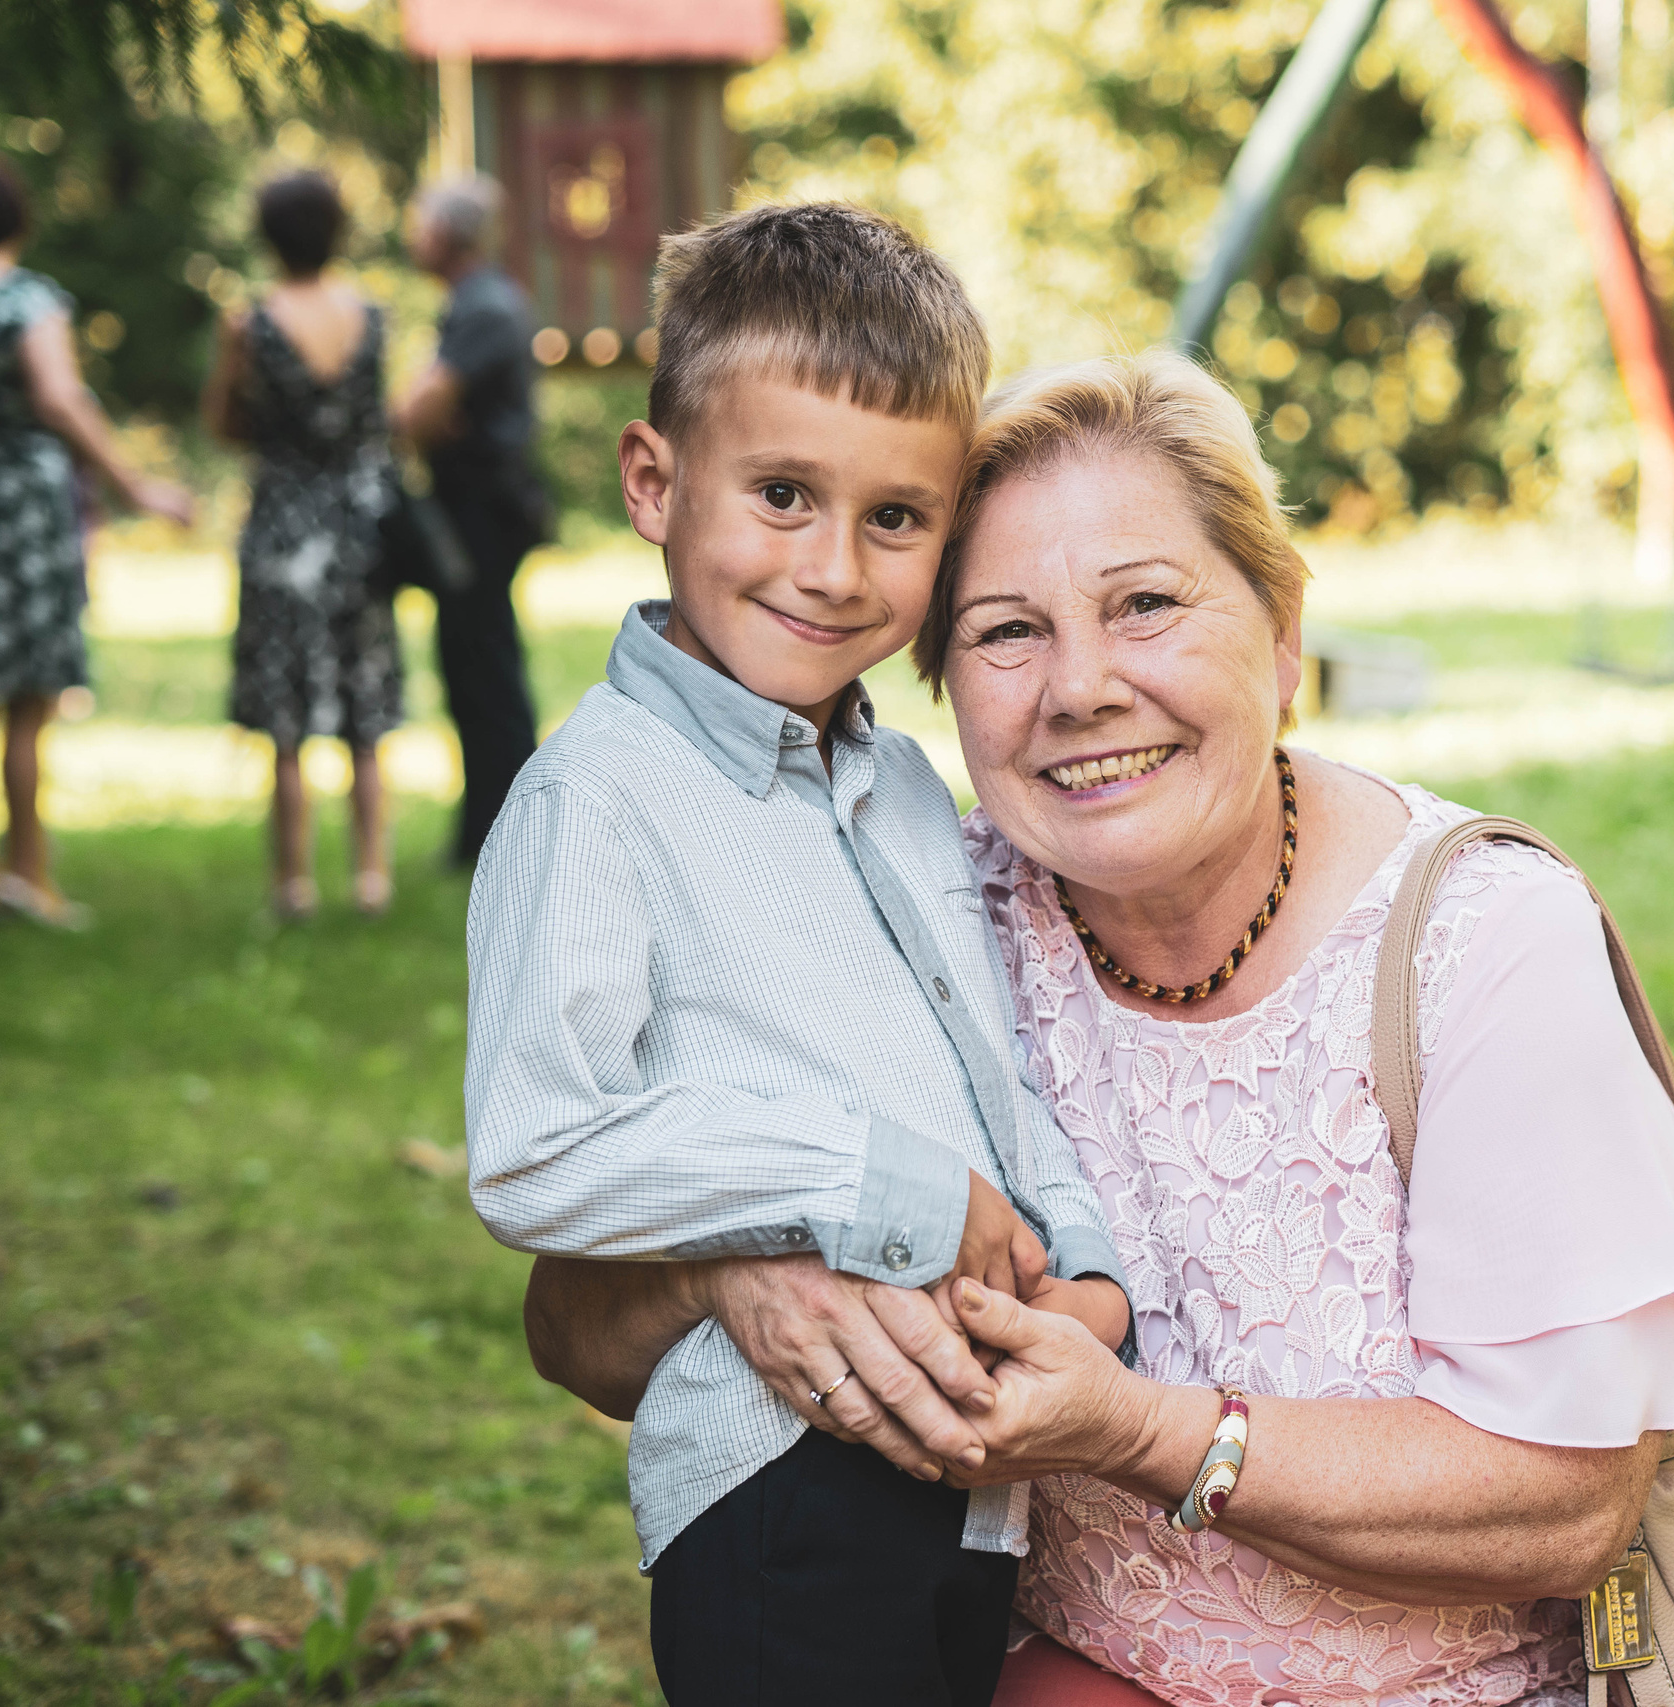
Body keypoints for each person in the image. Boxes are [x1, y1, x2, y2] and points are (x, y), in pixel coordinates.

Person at [524, 351, 1674, 1707]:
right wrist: (730, 1277)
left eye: (1145, 603)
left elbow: (1568, 1506)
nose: (1081, 685)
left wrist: (1135, 1428)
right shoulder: (929, 911)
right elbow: (572, 1322)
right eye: (1005, 631)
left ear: (1283, 634)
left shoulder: (1483, 942)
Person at [461, 203, 1132, 1707]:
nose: (833, 568)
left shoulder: (899, 786)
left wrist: (1078, 1260)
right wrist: (862, 1180)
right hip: (777, 1481)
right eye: (780, 494)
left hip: (976, 1467)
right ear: (655, 479)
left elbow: (988, 1065)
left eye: (895, 519)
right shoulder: (597, 798)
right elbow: (534, 1147)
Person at [0, 156, 193, 926]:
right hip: (22, 512)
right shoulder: (30, 302)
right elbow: (59, 399)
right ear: (18, 221)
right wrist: (138, 485)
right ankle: (28, 873)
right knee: (28, 703)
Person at [203, 170, 403, 921]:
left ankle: (293, 883)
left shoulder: (247, 324)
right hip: (360, 525)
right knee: (364, 708)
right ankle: (372, 876)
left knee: (287, 715)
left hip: (283, 526)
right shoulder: (373, 317)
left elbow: (222, 423)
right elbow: (377, 419)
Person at [393, 175, 543, 868]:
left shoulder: (484, 305)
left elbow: (414, 411)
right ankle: (482, 832)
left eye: (420, 222)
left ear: (450, 233)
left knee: (485, 671)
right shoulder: (473, 303)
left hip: (485, 512)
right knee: (472, 666)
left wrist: (427, 423)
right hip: (474, 506)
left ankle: (505, 832)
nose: (410, 234)